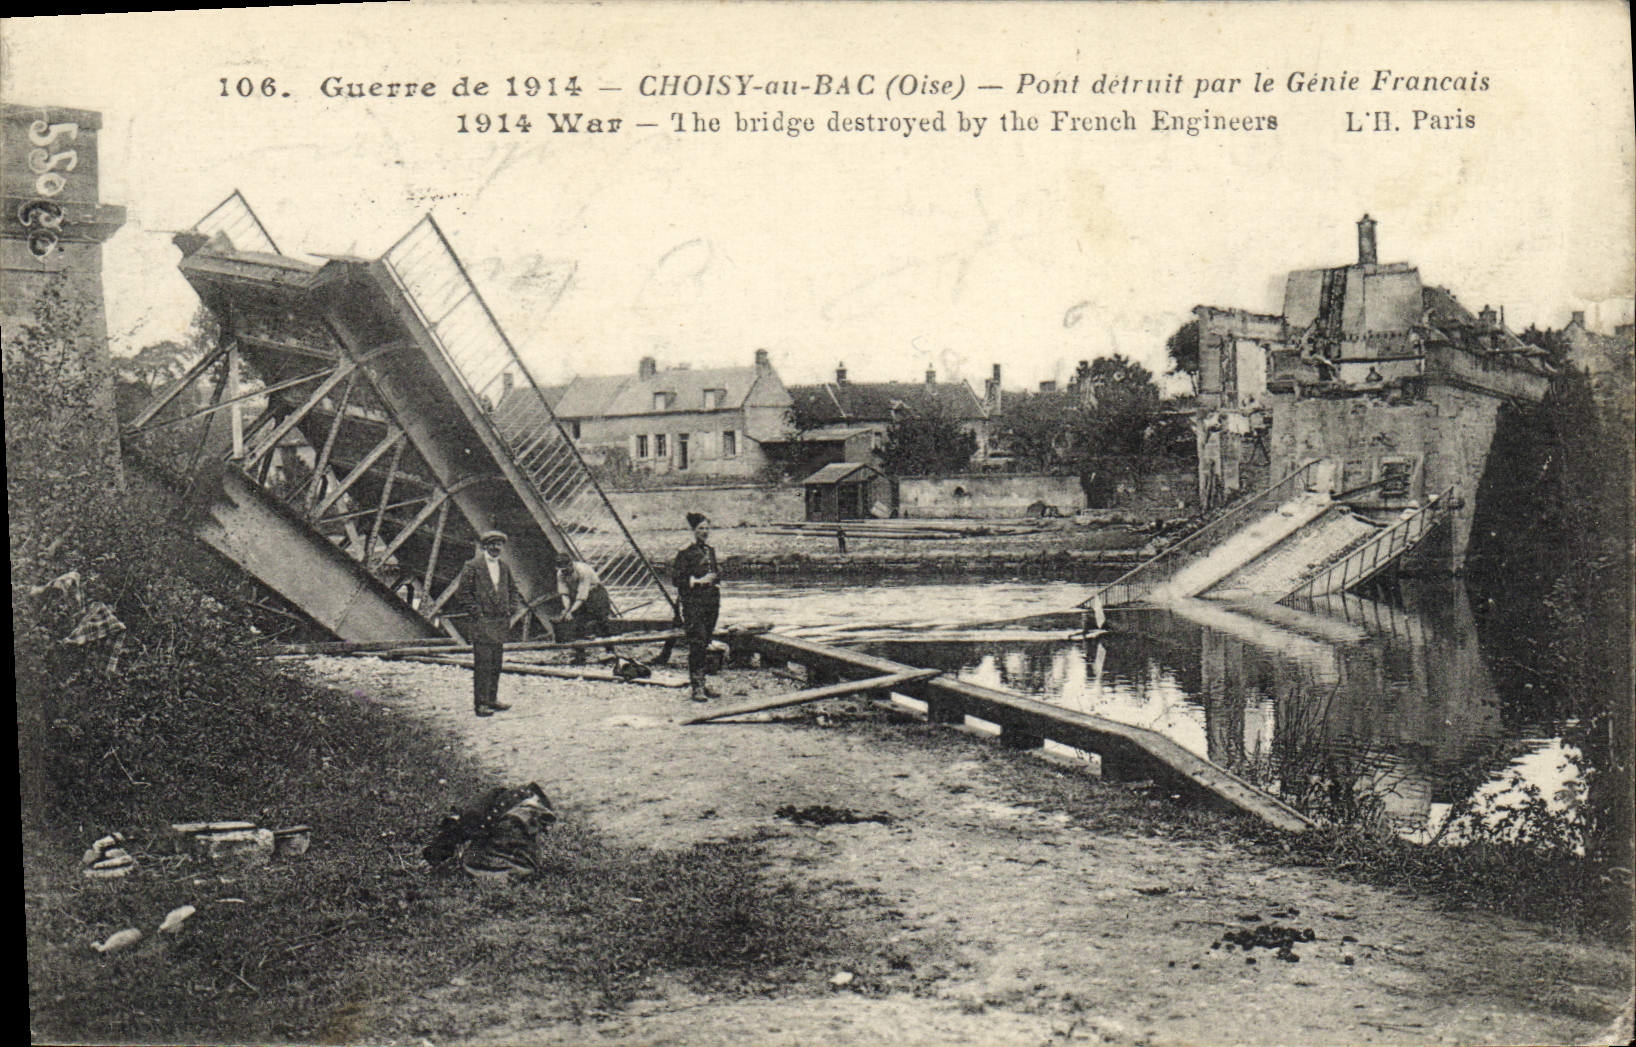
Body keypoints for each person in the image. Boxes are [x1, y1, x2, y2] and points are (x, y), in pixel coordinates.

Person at [455, 530, 516, 717]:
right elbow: (462, 593)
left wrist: (511, 608)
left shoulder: (504, 567)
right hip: (482, 622)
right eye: (492, 544)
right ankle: (480, 704)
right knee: (483, 663)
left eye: (499, 544)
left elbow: (513, 590)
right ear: (484, 546)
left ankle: (492, 699)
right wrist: (477, 613)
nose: (496, 548)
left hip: (499, 621)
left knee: (496, 662)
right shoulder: (472, 566)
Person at [671, 511, 722, 702]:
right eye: (701, 528)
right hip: (693, 604)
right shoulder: (685, 552)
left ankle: (703, 682)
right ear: (693, 531)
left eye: (707, 528)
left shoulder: (710, 550)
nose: (705, 532)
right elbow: (677, 579)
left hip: (711, 601)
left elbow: (716, 573)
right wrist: (699, 581)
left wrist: (715, 578)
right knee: (697, 641)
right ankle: (697, 687)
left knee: (706, 640)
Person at [551, 550, 615, 665]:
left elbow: (582, 596)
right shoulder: (560, 574)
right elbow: (564, 593)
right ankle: (580, 655)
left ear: (571, 564)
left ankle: (610, 652)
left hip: (596, 594)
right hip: (577, 595)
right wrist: (567, 609)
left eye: (566, 569)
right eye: (562, 570)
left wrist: (572, 610)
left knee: (602, 622)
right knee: (576, 623)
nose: (564, 572)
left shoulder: (582, 571)